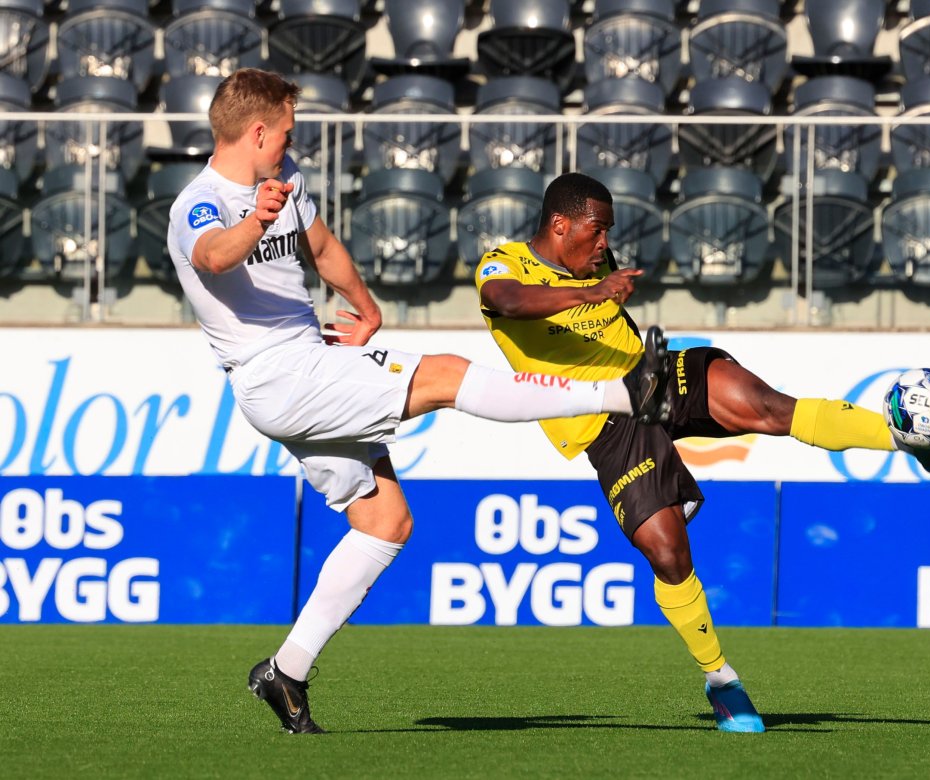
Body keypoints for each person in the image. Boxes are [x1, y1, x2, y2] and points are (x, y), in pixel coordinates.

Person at [166, 70, 671, 734]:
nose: (292, 142)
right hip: (280, 375)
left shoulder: (284, 189)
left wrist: (367, 308)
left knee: (386, 524)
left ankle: (285, 672)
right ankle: (624, 391)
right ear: (257, 131)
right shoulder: (200, 204)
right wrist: (254, 221)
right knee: (442, 376)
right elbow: (213, 257)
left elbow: (320, 247)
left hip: (312, 364)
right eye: (286, 131)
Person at [474, 172, 930, 733]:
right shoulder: (503, 263)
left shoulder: (599, 265)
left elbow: (616, 320)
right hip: (605, 424)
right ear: (559, 224)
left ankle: (910, 439)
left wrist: (609, 303)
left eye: (609, 233)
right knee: (667, 555)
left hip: (651, 378)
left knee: (767, 407)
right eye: (597, 231)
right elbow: (508, 302)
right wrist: (592, 292)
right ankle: (722, 682)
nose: (605, 245)